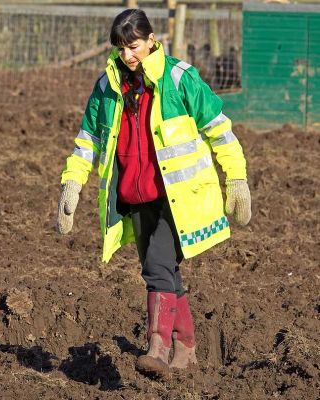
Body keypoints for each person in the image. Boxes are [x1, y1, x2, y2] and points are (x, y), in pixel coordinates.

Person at [57, 9, 251, 379]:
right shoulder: (107, 87)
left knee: (156, 269)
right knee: (166, 272)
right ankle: (187, 347)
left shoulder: (180, 79)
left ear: (150, 40)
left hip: (176, 198)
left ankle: (158, 348)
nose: (128, 55)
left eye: (133, 46)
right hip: (135, 194)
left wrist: (236, 179)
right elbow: (88, 141)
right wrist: (72, 183)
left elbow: (219, 130)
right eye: (121, 48)